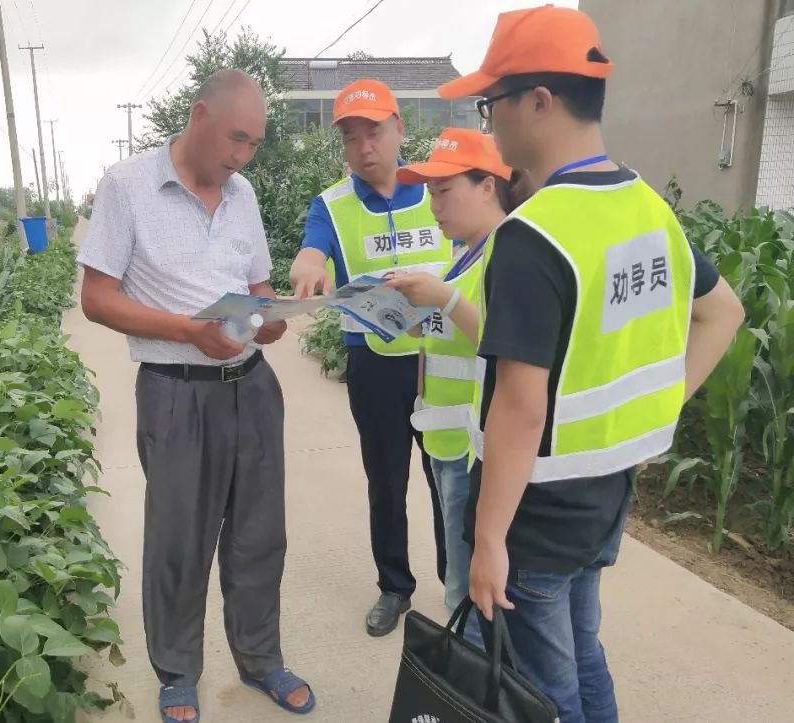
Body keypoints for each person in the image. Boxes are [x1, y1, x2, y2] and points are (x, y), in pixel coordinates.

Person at [437, 7, 745, 722]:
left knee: (543, 690)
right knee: (584, 650)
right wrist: (658, 408)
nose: (490, 127)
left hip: (537, 513)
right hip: (607, 497)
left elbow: (520, 405)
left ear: (539, 102)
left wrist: (486, 541)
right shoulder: (649, 211)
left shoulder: (534, 235)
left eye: (491, 105)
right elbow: (723, 311)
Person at [78, 69, 314, 723]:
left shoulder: (242, 196)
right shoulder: (128, 186)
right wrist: (187, 330)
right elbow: (96, 297)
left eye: (254, 144)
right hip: (176, 391)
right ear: (199, 114)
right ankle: (178, 670)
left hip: (253, 387)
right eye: (235, 138)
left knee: (260, 535)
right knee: (180, 537)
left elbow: (259, 290)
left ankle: (261, 658)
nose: (241, 156)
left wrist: (273, 316)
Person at [289, 79, 454, 637]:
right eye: (351, 136)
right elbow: (312, 250)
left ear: (400, 130)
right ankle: (394, 588)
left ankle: (460, 589)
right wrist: (309, 266)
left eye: (374, 131)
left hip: (443, 363)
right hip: (377, 364)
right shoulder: (331, 206)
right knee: (386, 481)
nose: (364, 146)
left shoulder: (439, 190)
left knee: (449, 478)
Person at [385, 128, 514, 646]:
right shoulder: (462, 256)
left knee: (468, 587)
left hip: (472, 447)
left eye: (444, 190)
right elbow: (453, 332)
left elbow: (506, 339)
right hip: (443, 439)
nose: (433, 205)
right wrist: (413, 316)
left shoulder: (506, 251)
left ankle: (472, 681)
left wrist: (442, 299)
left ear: (487, 186)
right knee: (456, 577)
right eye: (429, 192)